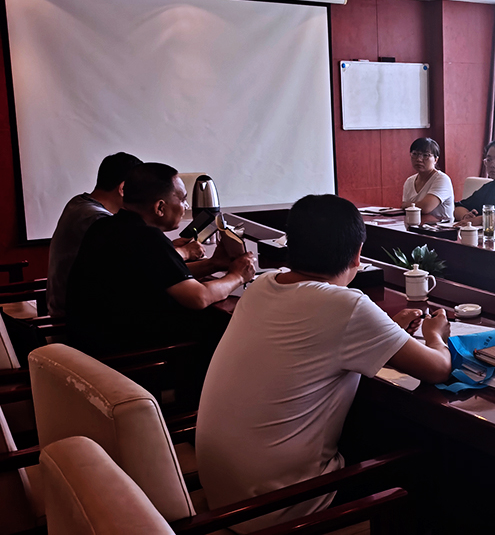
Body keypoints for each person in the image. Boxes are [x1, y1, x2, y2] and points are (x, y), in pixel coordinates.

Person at [196, 194, 453, 533]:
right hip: (283, 510)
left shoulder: (260, 286)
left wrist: (387, 329)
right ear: (358, 254)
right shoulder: (347, 306)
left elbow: (322, 336)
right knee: (434, 466)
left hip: (225, 499)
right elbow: (438, 369)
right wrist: (435, 335)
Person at [66, 163, 255, 356]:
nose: (186, 207)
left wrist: (213, 264)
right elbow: (199, 297)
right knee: (222, 326)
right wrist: (238, 276)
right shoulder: (146, 237)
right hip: (122, 353)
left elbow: (163, 276)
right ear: (160, 207)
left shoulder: (106, 226)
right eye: (183, 200)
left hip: (86, 342)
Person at [46, 153, 204, 317]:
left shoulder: (78, 203)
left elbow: (136, 259)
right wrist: (184, 252)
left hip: (78, 308)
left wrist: (168, 249)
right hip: (76, 314)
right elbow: (143, 260)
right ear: (123, 188)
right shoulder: (99, 220)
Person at [400, 137, 454, 223]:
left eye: (425, 155)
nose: (419, 159)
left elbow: (425, 207)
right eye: (415, 154)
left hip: (440, 229)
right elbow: (406, 210)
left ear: (435, 159)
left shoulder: (442, 179)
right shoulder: (409, 181)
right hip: (416, 227)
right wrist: (407, 206)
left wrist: (406, 205)